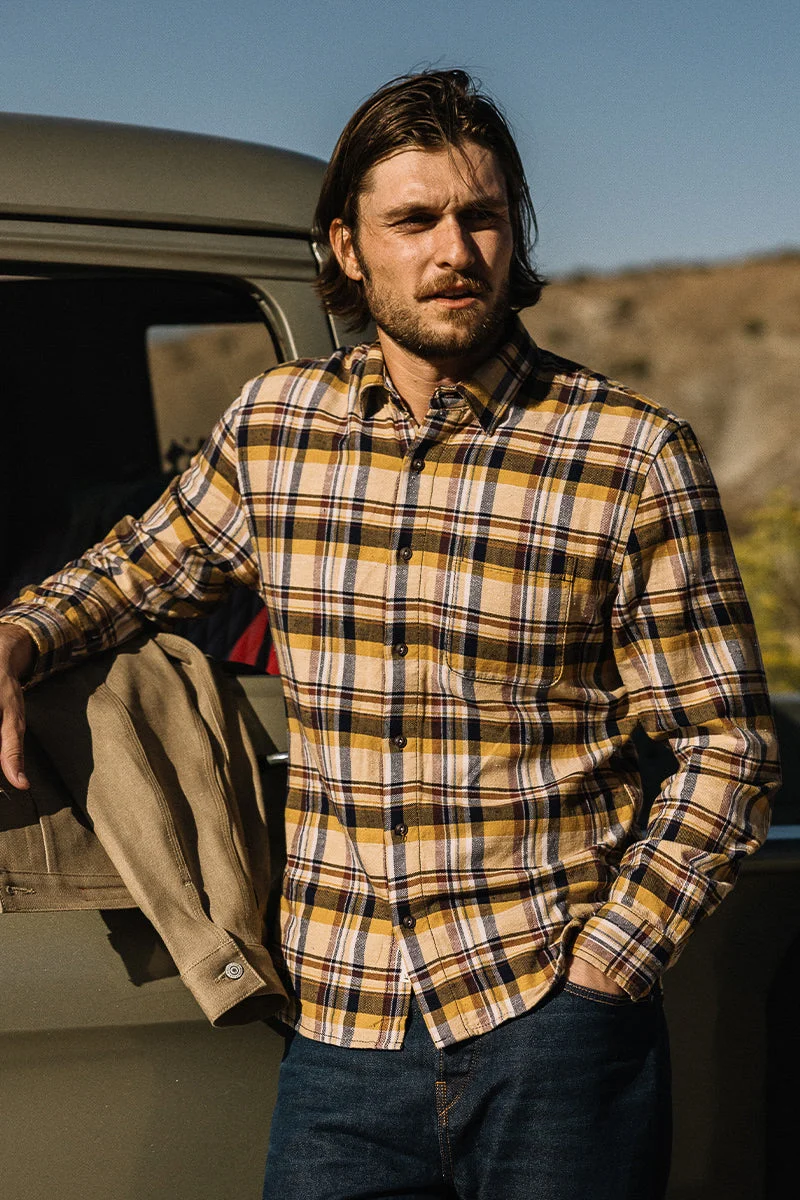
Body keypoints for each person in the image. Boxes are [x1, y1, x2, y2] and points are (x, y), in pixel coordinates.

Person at [0, 70, 781, 1200]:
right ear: (348, 249)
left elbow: (727, 747)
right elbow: (135, 572)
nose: (454, 251)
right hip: (343, 1030)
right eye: (414, 220)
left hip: (551, 1020)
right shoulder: (277, 426)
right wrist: (19, 640)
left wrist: (607, 969)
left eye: (481, 216)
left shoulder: (628, 453)